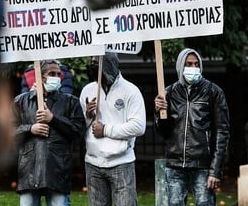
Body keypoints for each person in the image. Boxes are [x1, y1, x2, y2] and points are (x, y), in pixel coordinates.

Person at [154, 47, 230, 206]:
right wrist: (159, 112)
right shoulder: (168, 93)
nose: (193, 68)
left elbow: (222, 132)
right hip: (175, 165)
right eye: (189, 64)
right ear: (180, 66)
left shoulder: (213, 92)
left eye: (196, 64)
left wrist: (215, 171)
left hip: (202, 166)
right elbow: (164, 132)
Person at [14, 59, 85, 206]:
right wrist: (30, 129)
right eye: (52, 73)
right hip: (29, 172)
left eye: (59, 74)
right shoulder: (21, 101)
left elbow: (78, 132)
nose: (56, 77)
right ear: (40, 76)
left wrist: (53, 119)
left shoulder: (70, 102)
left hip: (57, 171)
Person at [79, 52, 146, 206]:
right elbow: (79, 127)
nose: (92, 66)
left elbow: (138, 126)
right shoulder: (88, 90)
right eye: (92, 62)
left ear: (108, 64)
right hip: (93, 163)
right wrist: (88, 115)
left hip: (121, 162)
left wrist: (106, 130)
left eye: (96, 63)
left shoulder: (131, 91)